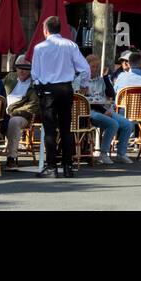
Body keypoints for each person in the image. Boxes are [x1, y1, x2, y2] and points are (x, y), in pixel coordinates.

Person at [29, 16, 90, 178]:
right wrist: (83, 83)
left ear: (46, 30)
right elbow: (85, 68)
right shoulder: (70, 45)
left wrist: (38, 87)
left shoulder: (39, 48)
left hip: (48, 89)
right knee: (66, 128)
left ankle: (51, 167)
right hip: (66, 88)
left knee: (50, 129)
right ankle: (68, 166)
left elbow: (35, 73)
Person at [82, 54, 134, 164]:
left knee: (127, 124)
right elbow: (85, 101)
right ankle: (103, 154)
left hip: (105, 109)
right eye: (93, 67)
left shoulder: (100, 80)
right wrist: (104, 111)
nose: (95, 69)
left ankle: (121, 153)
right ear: (86, 67)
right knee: (113, 124)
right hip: (89, 112)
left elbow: (111, 94)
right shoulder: (82, 81)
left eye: (97, 67)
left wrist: (105, 77)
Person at [2, 55, 40, 167]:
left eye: (26, 68)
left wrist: (12, 112)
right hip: (2, 112)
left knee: (14, 121)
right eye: (20, 67)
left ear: (31, 69)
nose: (22, 70)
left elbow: (33, 106)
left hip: (22, 115)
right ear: (16, 68)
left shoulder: (35, 83)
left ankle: (11, 157)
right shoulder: (10, 78)